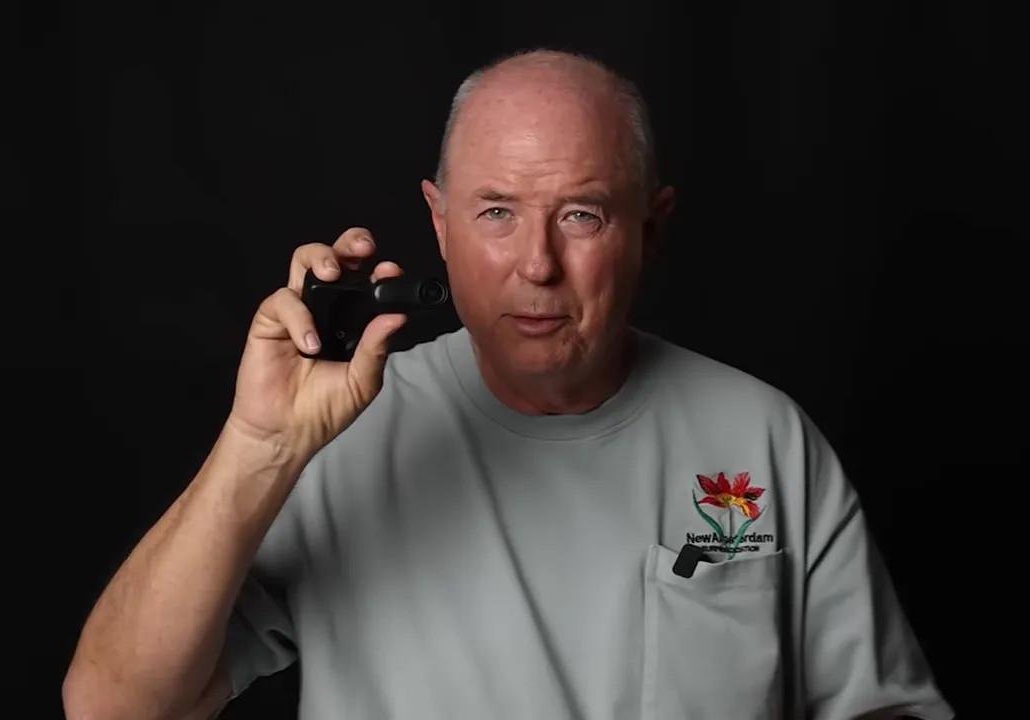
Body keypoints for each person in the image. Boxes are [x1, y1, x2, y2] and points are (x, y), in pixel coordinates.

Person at [63, 49, 954, 720]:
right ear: (439, 224)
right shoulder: (338, 437)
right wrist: (259, 445)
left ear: (651, 229)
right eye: (497, 213)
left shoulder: (764, 439)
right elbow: (111, 707)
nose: (537, 264)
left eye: (582, 215)